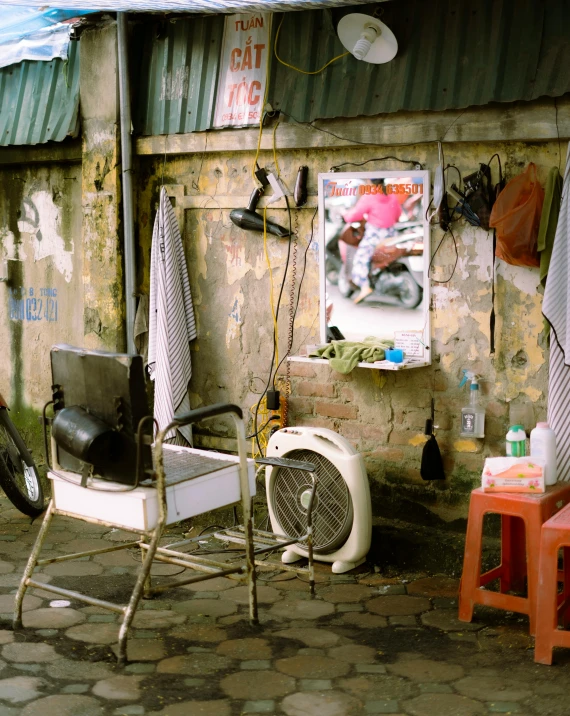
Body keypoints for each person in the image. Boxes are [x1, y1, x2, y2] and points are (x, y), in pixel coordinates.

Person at [343, 183, 402, 303]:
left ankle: (364, 287)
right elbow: (397, 215)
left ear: (371, 182)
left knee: (360, 258)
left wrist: (346, 216)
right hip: (391, 234)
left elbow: (355, 214)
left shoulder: (369, 196)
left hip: (375, 235)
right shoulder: (392, 195)